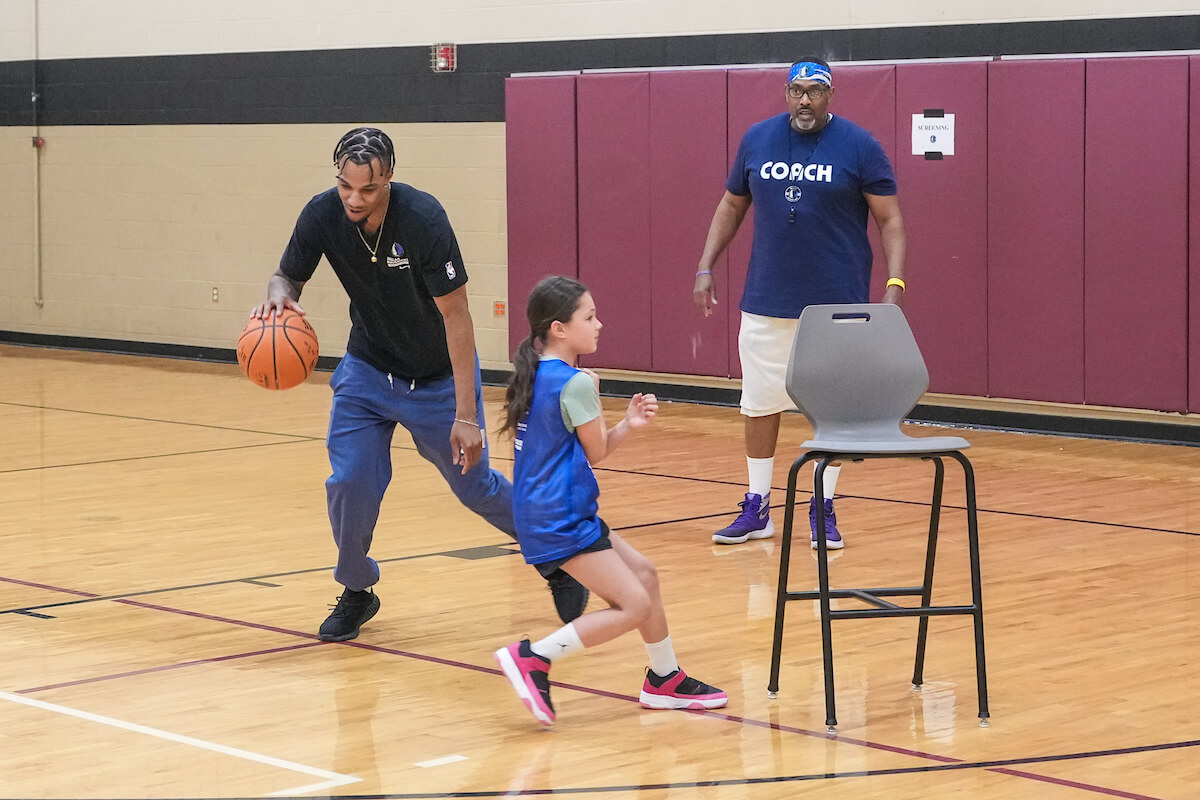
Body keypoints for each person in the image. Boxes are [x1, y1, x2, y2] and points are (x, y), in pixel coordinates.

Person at [251, 127, 588, 642]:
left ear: (388, 177)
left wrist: (466, 414)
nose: (353, 198)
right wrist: (277, 296)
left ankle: (555, 557)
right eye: (345, 185)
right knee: (350, 483)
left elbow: (458, 317)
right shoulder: (322, 213)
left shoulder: (424, 219)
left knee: (475, 488)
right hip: (367, 371)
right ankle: (358, 589)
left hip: (436, 378)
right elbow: (286, 276)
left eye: (367, 188)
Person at [693, 58, 908, 550]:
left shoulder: (860, 146)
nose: (804, 99)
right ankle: (757, 506)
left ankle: (822, 507)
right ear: (786, 93)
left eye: (814, 91)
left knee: (831, 411)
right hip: (767, 300)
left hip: (837, 308)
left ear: (830, 95)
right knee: (759, 405)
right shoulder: (757, 139)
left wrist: (894, 286)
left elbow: (891, 220)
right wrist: (706, 265)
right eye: (796, 91)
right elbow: (731, 204)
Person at [493, 276, 727, 727]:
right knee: (634, 604)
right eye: (590, 316)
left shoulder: (535, 372)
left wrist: (627, 423)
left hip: (549, 509)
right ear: (560, 328)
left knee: (644, 574)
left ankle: (665, 680)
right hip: (558, 515)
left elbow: (583, 446)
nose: (600, 324)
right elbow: (596, 451)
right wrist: (600, 403)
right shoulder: (576, 383)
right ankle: (534, 657)